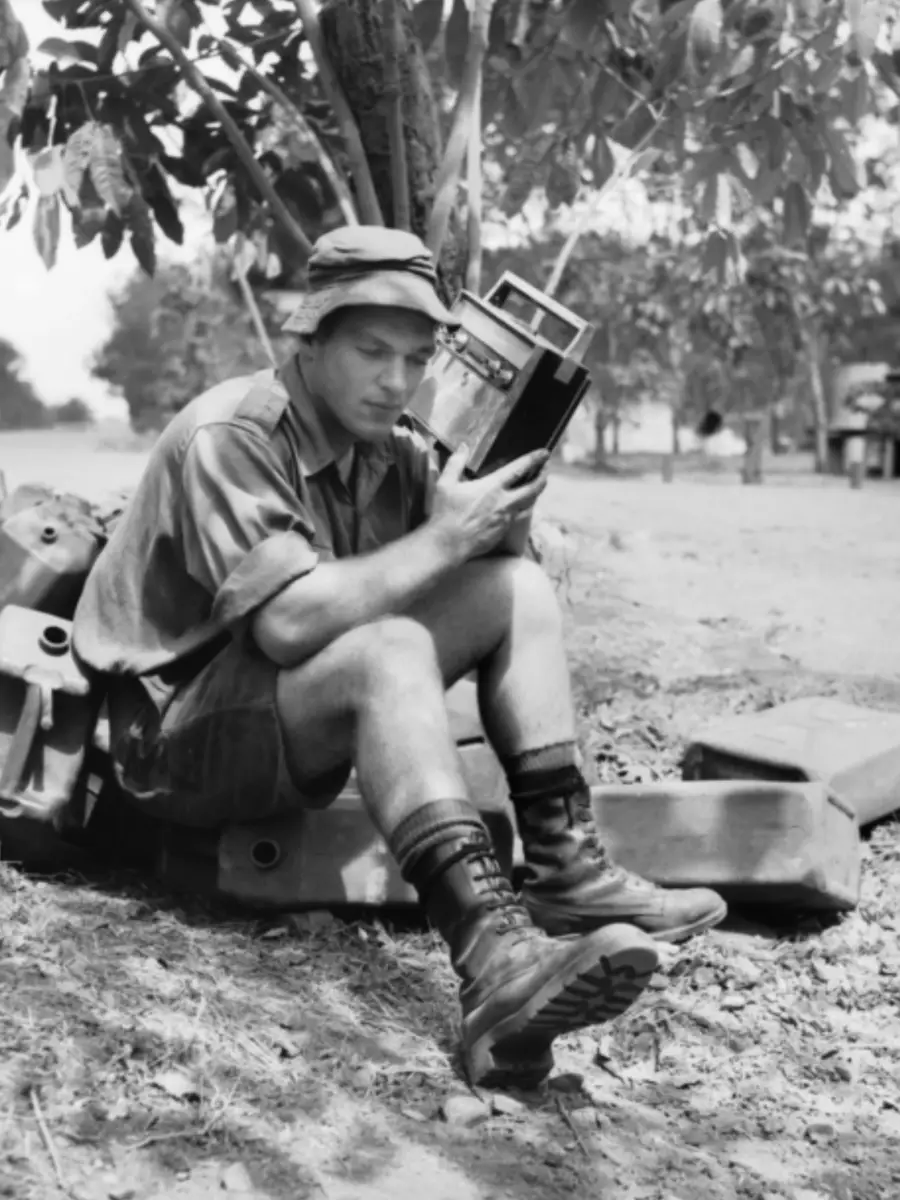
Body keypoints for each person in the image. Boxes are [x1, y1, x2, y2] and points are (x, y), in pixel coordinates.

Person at [73, 226, 726, 1089]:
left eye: (417, 358)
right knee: (389, 649)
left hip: (277, 711)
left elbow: (487, 576)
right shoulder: (232, 434)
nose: (395, 380)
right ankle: (494, 961)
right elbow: (289, 625)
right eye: (372, 351)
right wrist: (448, 537)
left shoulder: (393, 443)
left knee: (515, 589)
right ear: (310, 341)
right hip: (170, 740)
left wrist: (503, 501)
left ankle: (565, 869)